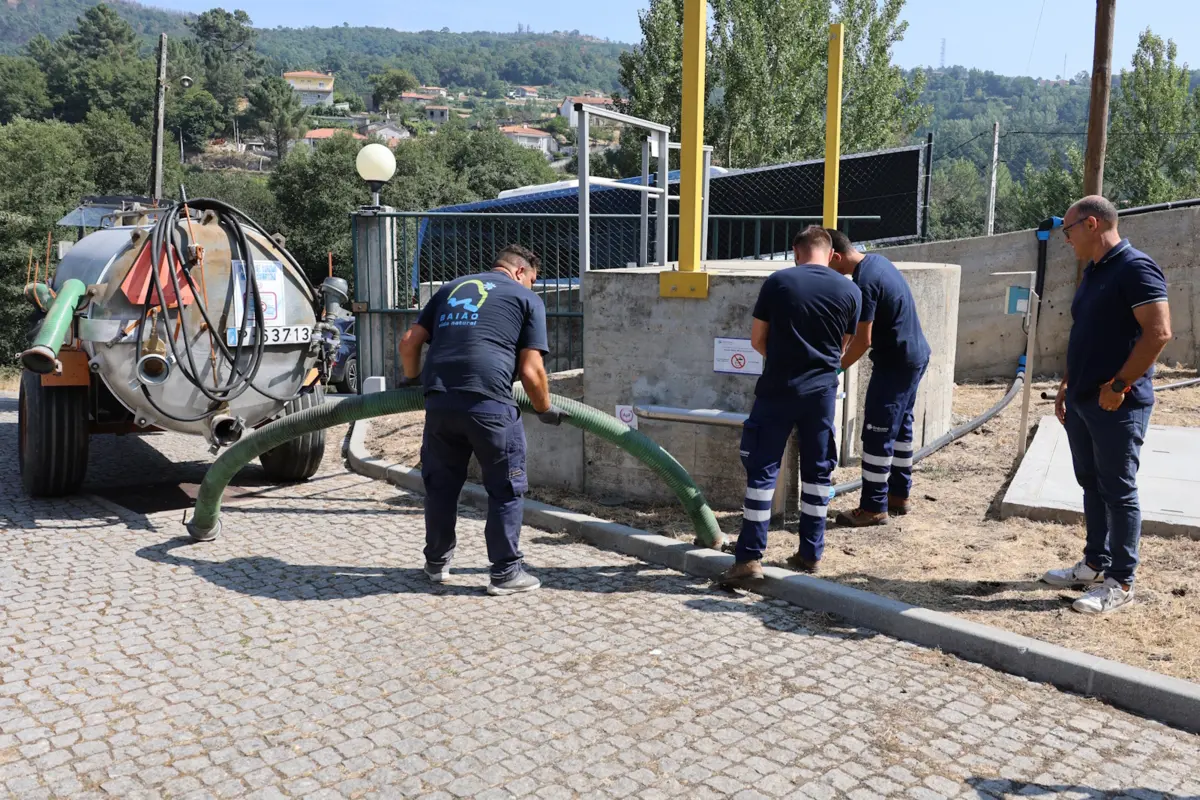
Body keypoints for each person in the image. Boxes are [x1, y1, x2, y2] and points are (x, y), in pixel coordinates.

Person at [398, 244, 568, 596]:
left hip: (441, 403)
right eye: (533, 281)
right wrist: (544, 408)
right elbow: (531, 369)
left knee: (441, 487)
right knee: (505, 488)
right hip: (490, 404)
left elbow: (409, 341)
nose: (532, 288)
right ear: (521, 272)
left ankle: (436, 563)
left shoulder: (450, 288)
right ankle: (506, 573)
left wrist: (412, 377)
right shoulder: (525, 299)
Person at [1041, 195, 1172, 614]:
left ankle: (1121, 581)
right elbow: (1086, 332)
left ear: (1092, 224)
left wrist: (1119, 385)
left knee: (1119, 490)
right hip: (1083, 397)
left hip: (1117, 403)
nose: (1066, 240)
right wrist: (1066, 383)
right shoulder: (1094, 271)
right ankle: (1095, 563)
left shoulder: (1135, 268)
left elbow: (1159, 332)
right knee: (1091, 482)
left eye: (1069, 230)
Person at [719, 226, 861, 584]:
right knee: (817, 474)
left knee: (763, 472)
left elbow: (757, 340)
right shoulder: (850, 289)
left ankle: (749, 559)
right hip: (822, 394)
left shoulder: (778, 283)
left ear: (796, 252)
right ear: (830, 255)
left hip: (778, 388)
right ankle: (810, 554)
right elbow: (844, 346)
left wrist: (784, 360)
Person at [824, 230, 932, 526]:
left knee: (877, 431)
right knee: (900, 429)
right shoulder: (878, 262)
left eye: (825, 262)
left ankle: (873, 506)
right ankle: (898, 495)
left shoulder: (865, 281)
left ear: (835, 256)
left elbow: (863, 339)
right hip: (913, 355)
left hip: (895, 362)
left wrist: (835, 369)